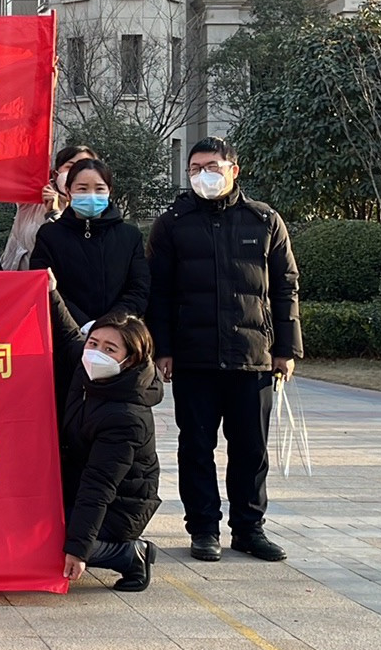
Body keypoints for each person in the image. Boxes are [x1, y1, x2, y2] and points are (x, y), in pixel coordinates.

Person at [147, 137, 301, 563]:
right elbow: (158, 292)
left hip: (253, 356)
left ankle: (249, 529)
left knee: (251, 448)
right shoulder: (172, 224)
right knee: (196, 447)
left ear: (234, 170)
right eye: (195, 169)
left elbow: (285, 288)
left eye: (212, 167)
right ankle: (203, 529)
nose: (204, 176)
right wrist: (163, 348)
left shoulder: (264, 220)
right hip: (194, 357)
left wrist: (286, 349)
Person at [50, 299, 162, 592]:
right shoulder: (89, 371)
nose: (96, 354)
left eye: (110, 349)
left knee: (46, 543)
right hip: (81, 490)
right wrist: (51, 291)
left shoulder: (127, 417)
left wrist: (78, 550)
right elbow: (68, 335)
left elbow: (99, 486)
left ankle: (129, 555)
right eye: (93, 343)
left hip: (120, 507)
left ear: (131, 360)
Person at [30, 157, 150, 329]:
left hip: (117, 334)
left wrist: (109, 325)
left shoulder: (129, 236)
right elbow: (45, 287)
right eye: (82, 189)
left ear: (109, 191)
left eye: (99, 188)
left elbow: (138, 289)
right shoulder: (50, 235)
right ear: (68, 192)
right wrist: (82, 324)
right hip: (65, 332)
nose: (91, 195)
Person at [1, 144, 97, 271]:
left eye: (83, 167)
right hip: (18, 278)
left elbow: (71, 249)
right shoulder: (35, 196)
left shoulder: (94, 209)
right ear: (56, 173)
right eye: (70, 166)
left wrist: (54, 214)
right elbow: (19, 166)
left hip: (57, 281)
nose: (76, 172)